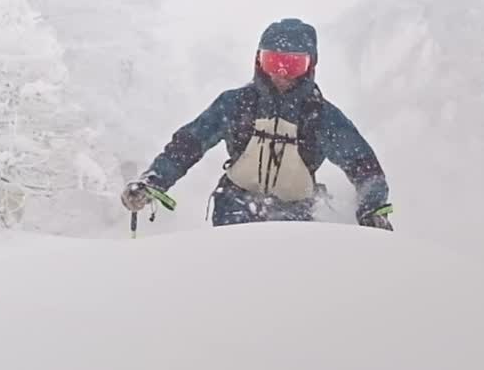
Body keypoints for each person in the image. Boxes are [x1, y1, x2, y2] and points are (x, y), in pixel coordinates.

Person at [121, 18, 393, 229]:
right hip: (234, 209)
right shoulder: (236, 104)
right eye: (273, 62)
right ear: (258, 60)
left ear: (310, 67)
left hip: (296, 218)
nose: (281, 74)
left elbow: (364, 166)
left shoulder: (320, 116)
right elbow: (188, 145)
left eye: (292, 65)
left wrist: (372, 208)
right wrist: (153, 182)